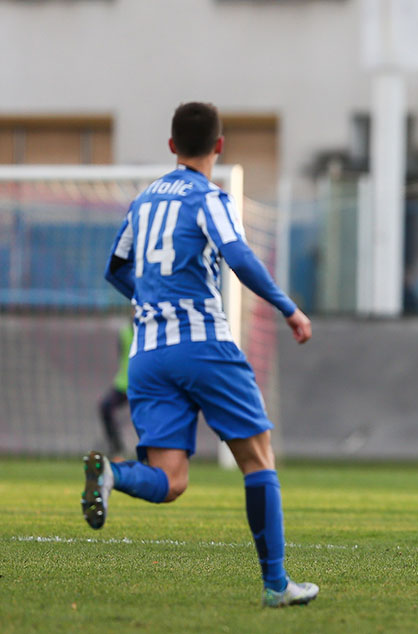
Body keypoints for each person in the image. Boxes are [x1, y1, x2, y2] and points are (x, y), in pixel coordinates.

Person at [84, 102, 319, 607]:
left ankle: (113, 473)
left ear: (171, 146)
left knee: (170, 480)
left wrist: (152, 300)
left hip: (147, 355)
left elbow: (116, 267)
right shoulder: (208, 198)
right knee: (258, 460)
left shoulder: (144, 201)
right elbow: (239, 256)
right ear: (219, 146)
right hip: (202, 344)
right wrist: (288, 309)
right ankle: (277, 586)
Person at [97, 322, 133, 459]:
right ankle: (117, 448)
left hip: (144, 384)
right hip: (123, 383)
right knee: (105, 407)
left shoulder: (150, 329)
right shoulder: (124, 331)